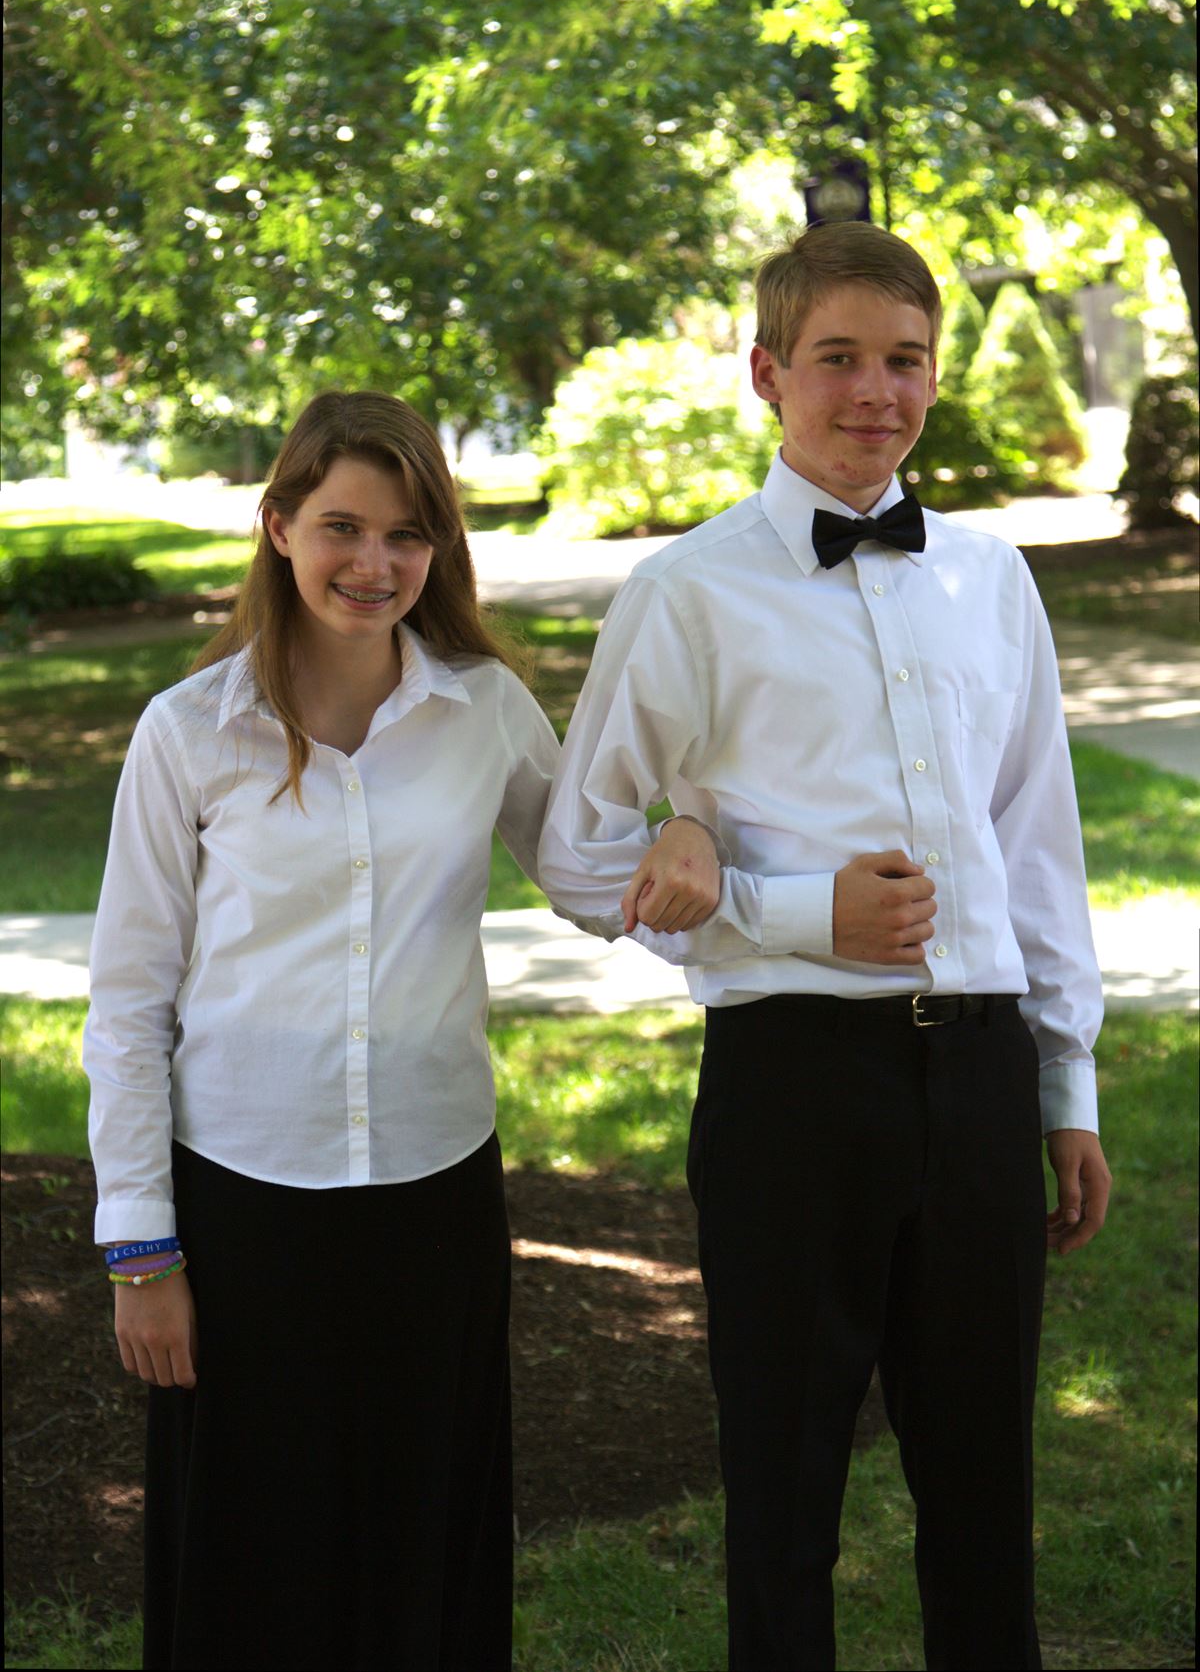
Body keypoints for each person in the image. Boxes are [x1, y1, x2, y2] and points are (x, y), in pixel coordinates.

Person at [538, 222, 1112, 1671]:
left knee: (984, 1487)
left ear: (936, 378)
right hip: (791, 1083)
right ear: (766, 373)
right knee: (785, 1490)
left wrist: (1067, 1086)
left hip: (979, 1072)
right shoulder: (685, 595)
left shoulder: (992, 579)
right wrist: (784, 907)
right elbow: (578, 852)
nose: (875, 391)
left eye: (905, 360)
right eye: (838, 357)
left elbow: (1037, 846)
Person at [82, 389, 718, 1672]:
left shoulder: (485, 709)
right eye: (343, 526)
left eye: (408, 534)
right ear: (278, 527)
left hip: (435, 1192)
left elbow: (595, 881)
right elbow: (130, 998)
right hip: (242, 1198)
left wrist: (690, 824)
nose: (374, 563)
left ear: (439, 549)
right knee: (255, 1544)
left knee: (424, 1523)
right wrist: (141, 1253)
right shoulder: (187, 733)